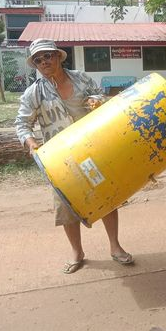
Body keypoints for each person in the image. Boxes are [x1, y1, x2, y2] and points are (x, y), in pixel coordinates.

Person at [15, 38, 134, 274]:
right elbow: (22, 124)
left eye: (47, 56)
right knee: (66, 207)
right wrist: (30, 143)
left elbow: (101, 98)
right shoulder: (34, 93)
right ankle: (77, 253)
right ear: (36, 65)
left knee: (105, 197)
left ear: (58, 56)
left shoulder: (81, 78)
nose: (44, 62)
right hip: (61, 160)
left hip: (92, 151)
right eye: (38, 60)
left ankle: (115, 247)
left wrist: (97, 101)